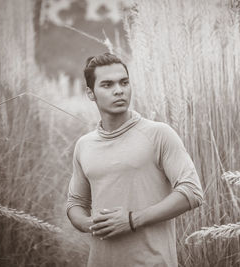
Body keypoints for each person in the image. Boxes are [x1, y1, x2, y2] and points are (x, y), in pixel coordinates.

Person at [66, 53, 204, 267]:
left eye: (124, 82)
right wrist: (89, 223)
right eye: (107, 85)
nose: (119, 90)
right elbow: (76, 203)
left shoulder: (159, 134)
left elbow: (192, 192)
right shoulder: (84, 145)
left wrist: (132, 220)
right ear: (90, 93)